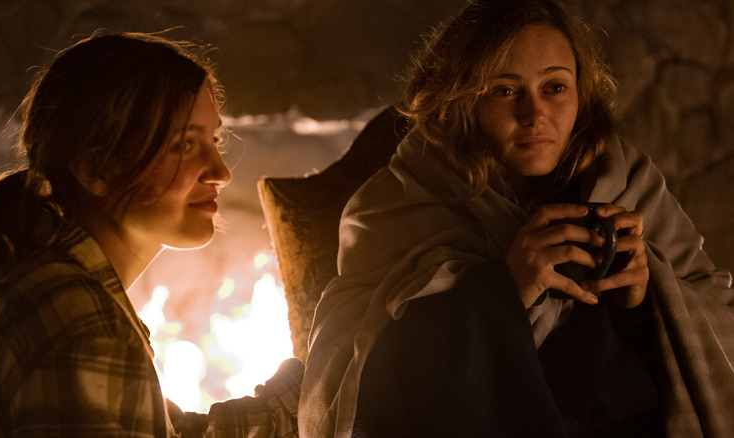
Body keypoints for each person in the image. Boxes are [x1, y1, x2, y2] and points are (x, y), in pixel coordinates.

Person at [299, 0, 734, 437]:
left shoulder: (629, 183)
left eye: (555, 87)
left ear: (581, 93)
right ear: (460, 101)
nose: (534, 113)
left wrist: (642, 302)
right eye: (504, 90)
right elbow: (357, 381)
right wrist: (504, 292)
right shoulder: (396, 206)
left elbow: (715, 317)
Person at [0, 31, 303, 437]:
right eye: (185, 145)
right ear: (96, 168)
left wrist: (298, 396)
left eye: (215, 139)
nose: (221, 173)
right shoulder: (79, 323)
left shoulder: (55, 289)